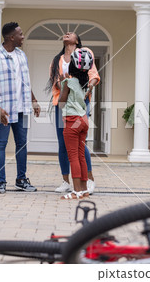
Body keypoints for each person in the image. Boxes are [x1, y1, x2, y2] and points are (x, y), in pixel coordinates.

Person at [0, 22, 41, 194]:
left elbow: (25, 83)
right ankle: (0, 182)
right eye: (20, 34)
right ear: (11, 37)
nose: (23, 37)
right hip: (4, 110)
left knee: (22, 144)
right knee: (0, 145)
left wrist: (34, 100)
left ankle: (21, 180)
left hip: (22, 108)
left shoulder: (22, 56)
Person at [48, 32, 100, 195]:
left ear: (76, 40)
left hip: (80, 103)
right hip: (62, 104)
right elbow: (54, 80)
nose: (66, 34)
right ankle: (66, 181)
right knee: (63, 143)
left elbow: (93, 75)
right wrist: (64, 84)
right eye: (65, 33)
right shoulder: (57, 60)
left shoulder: (85, 52)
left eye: (71, 34)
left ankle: (89, 180)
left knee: (79, 143)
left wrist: (88, 87)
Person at [58, 48, 93, 199]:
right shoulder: (86, 83)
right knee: (81, 156)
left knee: (73, 156)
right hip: (83, 120)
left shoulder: (69, 82)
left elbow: (61, 103)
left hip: (73, 121)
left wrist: (62, 84)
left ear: (72, 66)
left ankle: (76, 191)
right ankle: (84, 190)